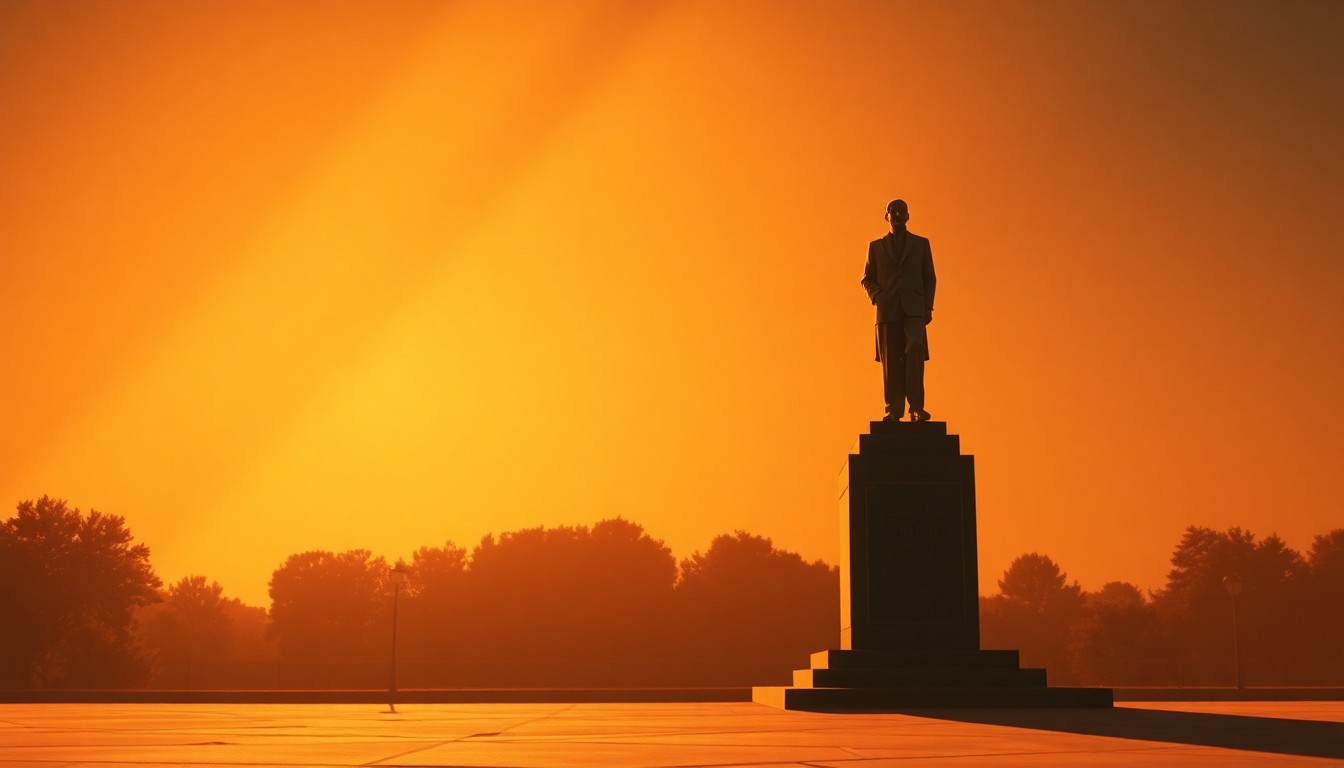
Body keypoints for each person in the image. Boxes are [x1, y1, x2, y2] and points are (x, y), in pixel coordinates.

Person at [861, 198, 936, 422]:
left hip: (914, 309)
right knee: (891, 360)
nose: (897, 214)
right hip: (887, 310)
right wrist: (878, 296)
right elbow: (867, 278)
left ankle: (916, 407)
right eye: (893, 211)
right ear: (886, 216)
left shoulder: (921, 244)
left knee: (914, 349)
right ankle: (893, 409)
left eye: (901, 211)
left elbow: (929, 277)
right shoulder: (876, 247)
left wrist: (927, 306)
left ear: (908, 215)